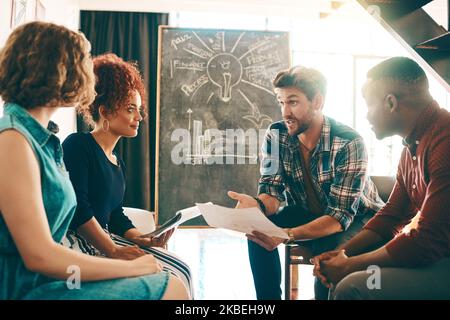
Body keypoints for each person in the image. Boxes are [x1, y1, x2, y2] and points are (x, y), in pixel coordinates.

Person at [0, 21, 188, 300]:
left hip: (54, 274)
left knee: (171, 278)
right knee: (171, 286)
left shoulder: (37, 138)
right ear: (56, 71)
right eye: (81, 64)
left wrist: (130, 256)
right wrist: (125, 264)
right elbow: (39, 256)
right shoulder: (14, 139)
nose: (87, 75)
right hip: (33, 286)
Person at [228, 66, 384, 300]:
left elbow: (339, 217)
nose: (285, 111)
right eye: (281, 102)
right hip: (306, 212)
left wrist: (286, 234)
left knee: (328, 260)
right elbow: (271, 190)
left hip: (355, 219)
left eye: (293, 102)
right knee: (258, 230)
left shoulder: (349, 142)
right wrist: (257, 206)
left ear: (318, 101)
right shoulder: (276, 135)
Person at [312, 57, 450, 300]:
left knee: (351, 286)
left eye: (368, 105)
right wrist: (341, 253)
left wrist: (350, 265)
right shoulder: (412, 147)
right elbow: (393, 215)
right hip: (437, 257)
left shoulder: (445, 141)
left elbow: (427, 240)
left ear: (390, 103)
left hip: (442, 261)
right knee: (331, 278)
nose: (366, 116)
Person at [61, 53, 193, 298]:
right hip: (78, 247)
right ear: (106, 112)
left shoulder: (117, 161)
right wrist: (112, 250)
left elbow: (115, 214)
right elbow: (78, 209)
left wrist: (142, 238)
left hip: (103, 242)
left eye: (139, 110)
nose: (139, 118)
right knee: (170, 277)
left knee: (183, 269)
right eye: (131, 109)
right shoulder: (77, 146)